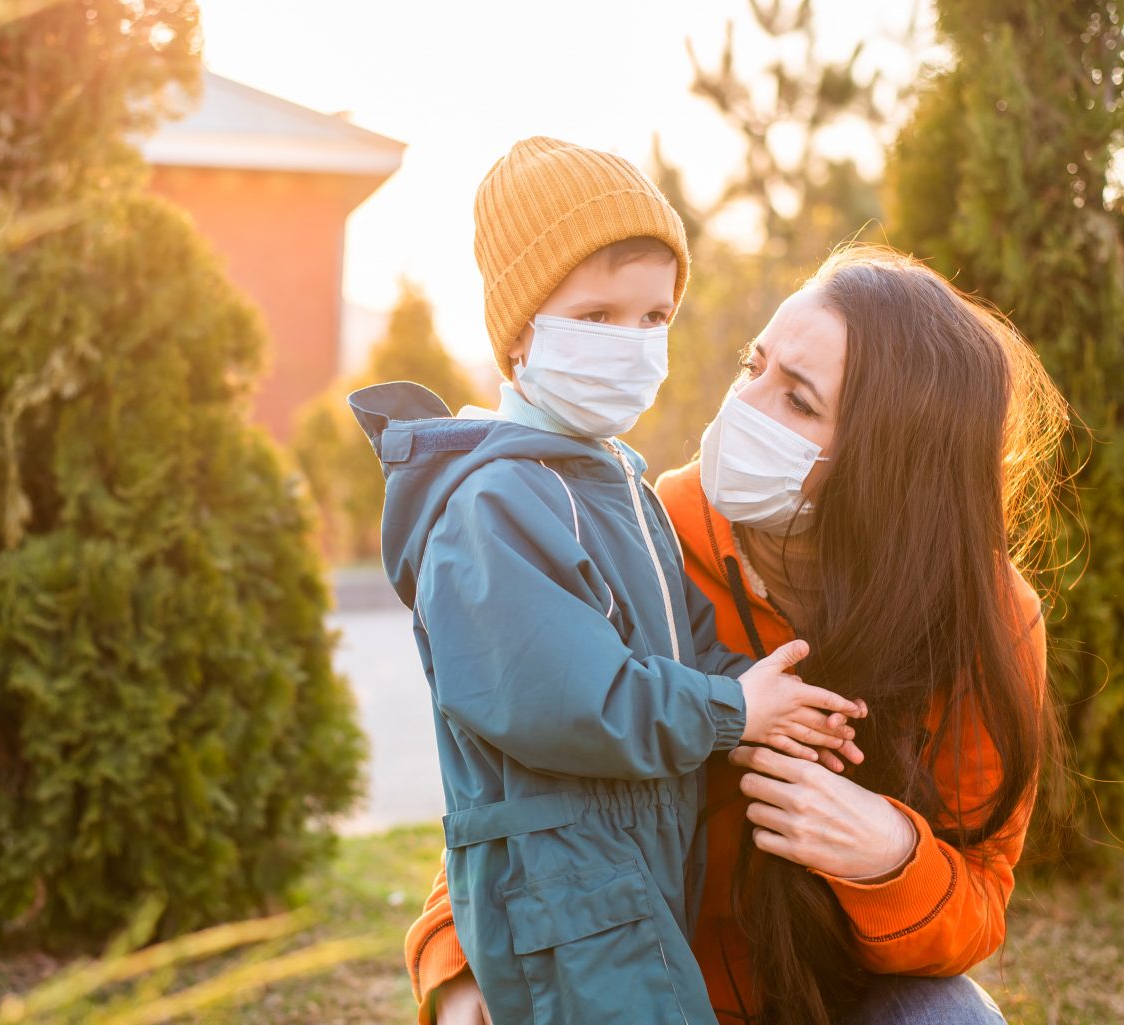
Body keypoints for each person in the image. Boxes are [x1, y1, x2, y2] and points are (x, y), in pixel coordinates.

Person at [404, 243, 1066, 1025]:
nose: (744, 405)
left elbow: (980, 901)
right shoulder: (657, 536)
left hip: (838, 995)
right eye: (754, 365)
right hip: (649, 986)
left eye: (798, 401)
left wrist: (891, 855)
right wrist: (455, 961)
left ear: (891, 467)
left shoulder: (989, 618)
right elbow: (529, 753)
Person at [348, 136, 869, 1025]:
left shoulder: (615, 479)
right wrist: (731, 712)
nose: (630, 345)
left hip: (623, 870)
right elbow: (568, 698)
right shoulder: (494, 503)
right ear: (520, 333)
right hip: (561, 892)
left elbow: (680, 640)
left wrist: (765, 694)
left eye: (653, 316)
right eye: (596, 316)